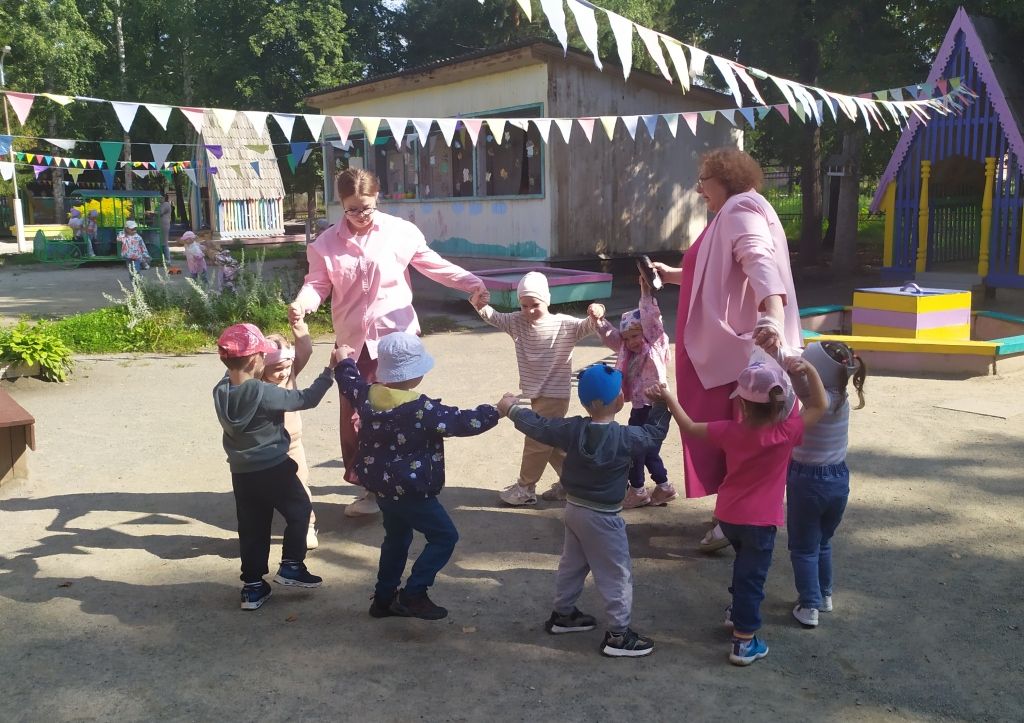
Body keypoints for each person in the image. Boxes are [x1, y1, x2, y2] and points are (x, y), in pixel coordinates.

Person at [290, 168, 486, 519]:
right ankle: (368, 487)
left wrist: (471, 282)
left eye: (366, 207)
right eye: (351, 209)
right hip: (354, 344)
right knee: (355, 417)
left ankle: (403, 484)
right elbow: (317, 284)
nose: (360, 215)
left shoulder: (400, 232)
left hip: (395, 341)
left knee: (398, 416)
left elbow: (434, 265)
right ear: (340, 205)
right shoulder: (326, 244)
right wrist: (302, 304)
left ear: (377, 198)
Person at [652, 148, 803, 552]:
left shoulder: (740, 211)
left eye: (703, 180)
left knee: (739, 440)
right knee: (735, 438)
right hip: (738, 350)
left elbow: (759, 261)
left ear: (725, 180)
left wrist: (772, 316)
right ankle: (729, 516)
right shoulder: (740, 210)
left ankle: (731, 522)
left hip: (738, 354)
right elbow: (719, 272)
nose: (698, 189)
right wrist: (672, 275)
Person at [651, 354, 828, 666]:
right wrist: (811, 370)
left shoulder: (729, 431)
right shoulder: (786, 432)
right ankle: (744, 642)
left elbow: (689, 426)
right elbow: (819, 406)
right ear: (779, 404)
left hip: (728, 517)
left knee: (744, 568)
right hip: (760, 523)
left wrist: (667, 397)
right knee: (752, 578)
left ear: (742, 404)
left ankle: (737, 612)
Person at [497, 364, 670, 657]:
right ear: (620, 401)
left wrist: (512, 409)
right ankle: (618, 636)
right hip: (604, 518)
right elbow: (654, 435)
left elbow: (539, 426)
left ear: (584, 402)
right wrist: (661, 405)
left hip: (575, 509)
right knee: (616, 573)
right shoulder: (626, 437)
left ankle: (563, 614)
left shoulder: (572, 429)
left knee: (573, 565)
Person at [335, 333, 499, 620]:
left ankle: (383, 599)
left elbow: (349, 382)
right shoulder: (422, 409)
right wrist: (498, 410)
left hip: (382, 488)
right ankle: (414, 593)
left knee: (396, 540)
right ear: (416, 373)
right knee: (444, 536)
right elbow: (463, 422)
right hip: (412, 491)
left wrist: (344, 360)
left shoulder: (367, 395)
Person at [212, 323, 343, 611]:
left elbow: (234, 368)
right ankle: (292, 565)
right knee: (300, 511)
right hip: (274, 467)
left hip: (242, 474)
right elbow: (307, 399)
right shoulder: (265, 393)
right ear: (255, 360)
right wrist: (330, 371)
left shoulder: (220, 390)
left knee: (252, 528)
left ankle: (252, 587)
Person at [470, 272, 604, 506]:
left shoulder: (564, 324)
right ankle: (574, 483)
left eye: (535, 305)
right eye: (524, 305)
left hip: (555, 394)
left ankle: (525, 487)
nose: (529, 310)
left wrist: (597, 311)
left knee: (536, 440)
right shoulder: (517, 322)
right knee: (551, 442)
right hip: (535, 392)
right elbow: (495, 317)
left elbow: (588, 325)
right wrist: (480, 305)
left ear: (547, 300)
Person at [787, 341, 866, 628]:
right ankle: (824, 594)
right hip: (838, 480)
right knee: (822, 542)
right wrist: (798, 371)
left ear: (816, 374)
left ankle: (809, 606)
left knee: (803, 547)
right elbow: (805, 392)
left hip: (808, 481)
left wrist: (802, 371)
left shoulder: (819, 405)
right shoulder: (839, 399)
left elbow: (807, 396)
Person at [596, 274, 674, 508]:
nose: (631, 342)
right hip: (641, 407)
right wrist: (598, 320)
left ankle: (639, 490)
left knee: (637, 449)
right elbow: (612, 337)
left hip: (656, 405)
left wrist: (645, 292)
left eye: (635, 335)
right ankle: (663, 487)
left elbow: (651, 318)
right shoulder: (627, 351)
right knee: (646, 450)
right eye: (627, 338)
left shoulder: (655, 343)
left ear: (646, 332)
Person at [263, 313, 320, 550]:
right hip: (266, 449)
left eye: (287, 367)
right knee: (266, 491)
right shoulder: (256, 385)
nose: (284, 373)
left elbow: (305, 350)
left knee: (300, 484)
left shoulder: (291, 372)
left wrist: (298, 325)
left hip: (293, 443)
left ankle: (307, 526)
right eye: (277, 369)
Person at [159, 194, 173, 263]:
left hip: (164, 225)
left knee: (164, 242)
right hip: (161, 224)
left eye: (161, 197)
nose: (159, 199)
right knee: (162, 241)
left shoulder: (166, 204)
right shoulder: (161, 204)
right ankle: (163, 257)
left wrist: (152, 213)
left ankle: (168, 259)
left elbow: (160, 212)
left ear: (164, 198)